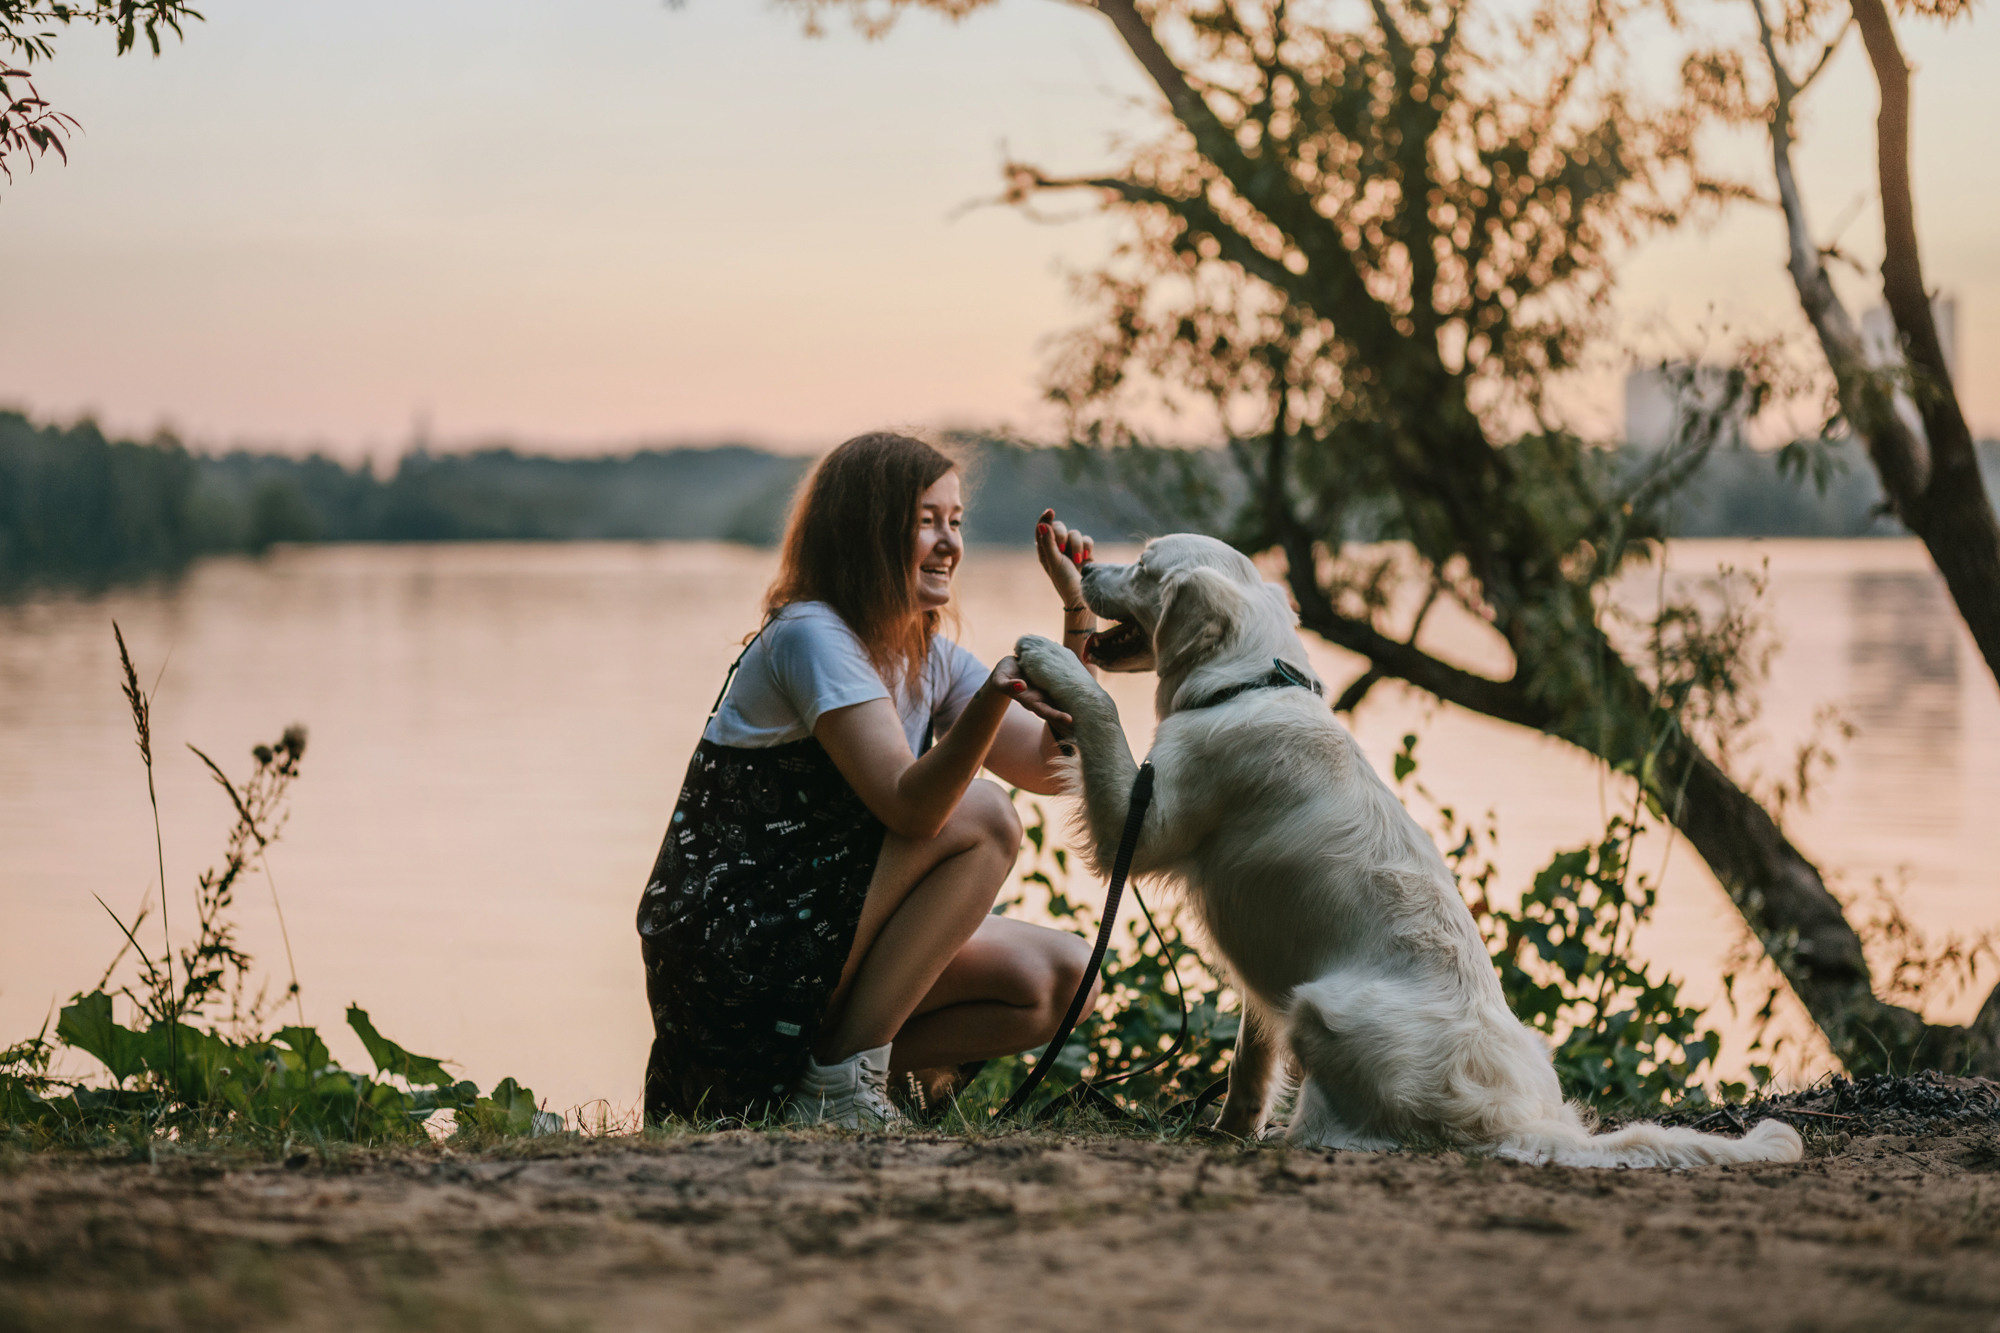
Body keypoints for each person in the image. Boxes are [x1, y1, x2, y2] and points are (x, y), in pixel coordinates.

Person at [638, 431, 1103, 1126]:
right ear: (864, 529)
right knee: (984, 816)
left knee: (1061, 977)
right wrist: (992, 699)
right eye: (925, 520)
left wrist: (1077, 614)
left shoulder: (929, 657)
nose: (948, 542)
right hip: (740, 949)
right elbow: (910, 808)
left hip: (821, 938)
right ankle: (837, 1090)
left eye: (955, 521)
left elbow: (1055, 767)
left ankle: (825, 1080)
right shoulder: (811, 635)